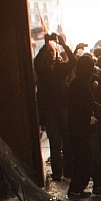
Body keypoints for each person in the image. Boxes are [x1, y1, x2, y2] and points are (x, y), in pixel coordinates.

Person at [65, 55, 101, 199]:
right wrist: (97, 109)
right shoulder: (78, 84)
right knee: (84, 160)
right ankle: (76, 189)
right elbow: (84, 105)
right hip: (80, 129)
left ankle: (99, 184)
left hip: (85, 127)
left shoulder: (81, 82)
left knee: (94, 157)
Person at [34, 34, 73, 181]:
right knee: (55, 142)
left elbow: (73, 61)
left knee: (66, 140)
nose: (50, 54)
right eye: (48, 52)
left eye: (51, 52)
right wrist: (46, 44)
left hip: (62, 108)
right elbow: (37, 61)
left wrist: (63, 44)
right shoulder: (42, 70)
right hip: (51, 110)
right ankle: (58, 172)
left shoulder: (60, 68)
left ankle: (67, 170)